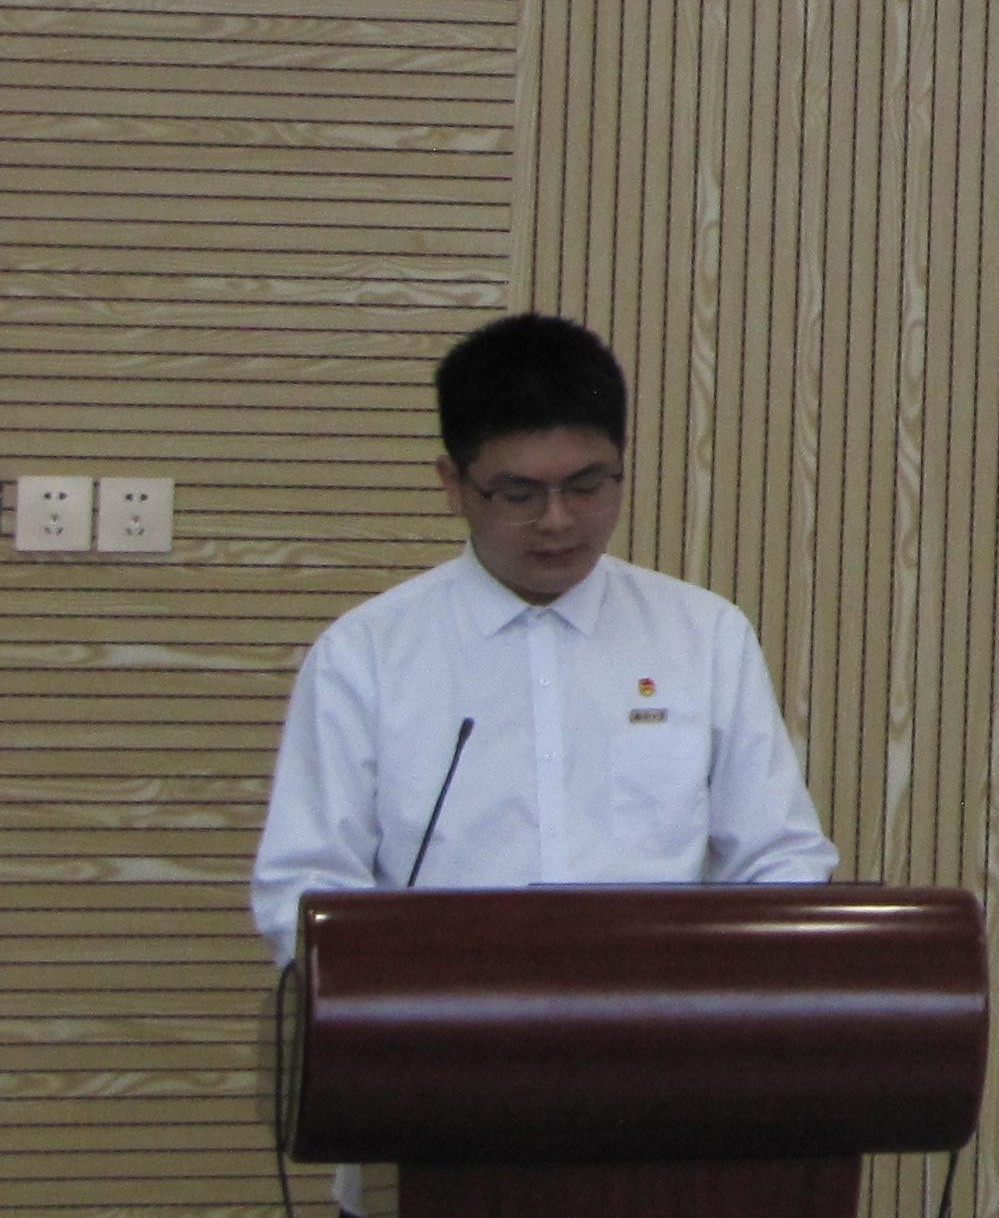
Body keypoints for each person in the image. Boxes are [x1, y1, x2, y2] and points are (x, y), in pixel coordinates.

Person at [251, 310, 838, 955]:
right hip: (445, 1006)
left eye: (586, 487)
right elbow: (305, 886)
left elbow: (778, 858)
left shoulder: (706, 637)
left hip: (658, 1005)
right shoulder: (366, 655)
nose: (557, 521)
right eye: (519, 495)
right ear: (453, 485)